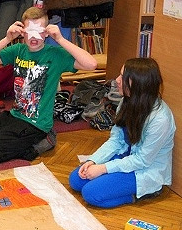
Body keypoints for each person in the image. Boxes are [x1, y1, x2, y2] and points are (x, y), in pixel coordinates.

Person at [0, 6, 97, 163]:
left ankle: (39, 145)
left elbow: (91, 64)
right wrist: (7, 39)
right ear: (22, 32)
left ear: (46, 33)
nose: (34, 38)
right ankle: (12, 139)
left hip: (35, 125)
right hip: (15, 115)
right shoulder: (18, 50)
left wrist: (60, 39)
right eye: (30, 32)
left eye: (39, 32)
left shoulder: (55, 55)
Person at [69, 58, 176, 208]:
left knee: (91, 193)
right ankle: (111, 181)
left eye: (123, 77)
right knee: (76, 180)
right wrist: (93, 161)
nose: (117, 80)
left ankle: (142, 193)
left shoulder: (160, 119)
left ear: (137, 84)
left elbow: (142, 161)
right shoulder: (126, 101)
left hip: (143, 169)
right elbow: (116, 140)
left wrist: (103, 168)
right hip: (126, 155)